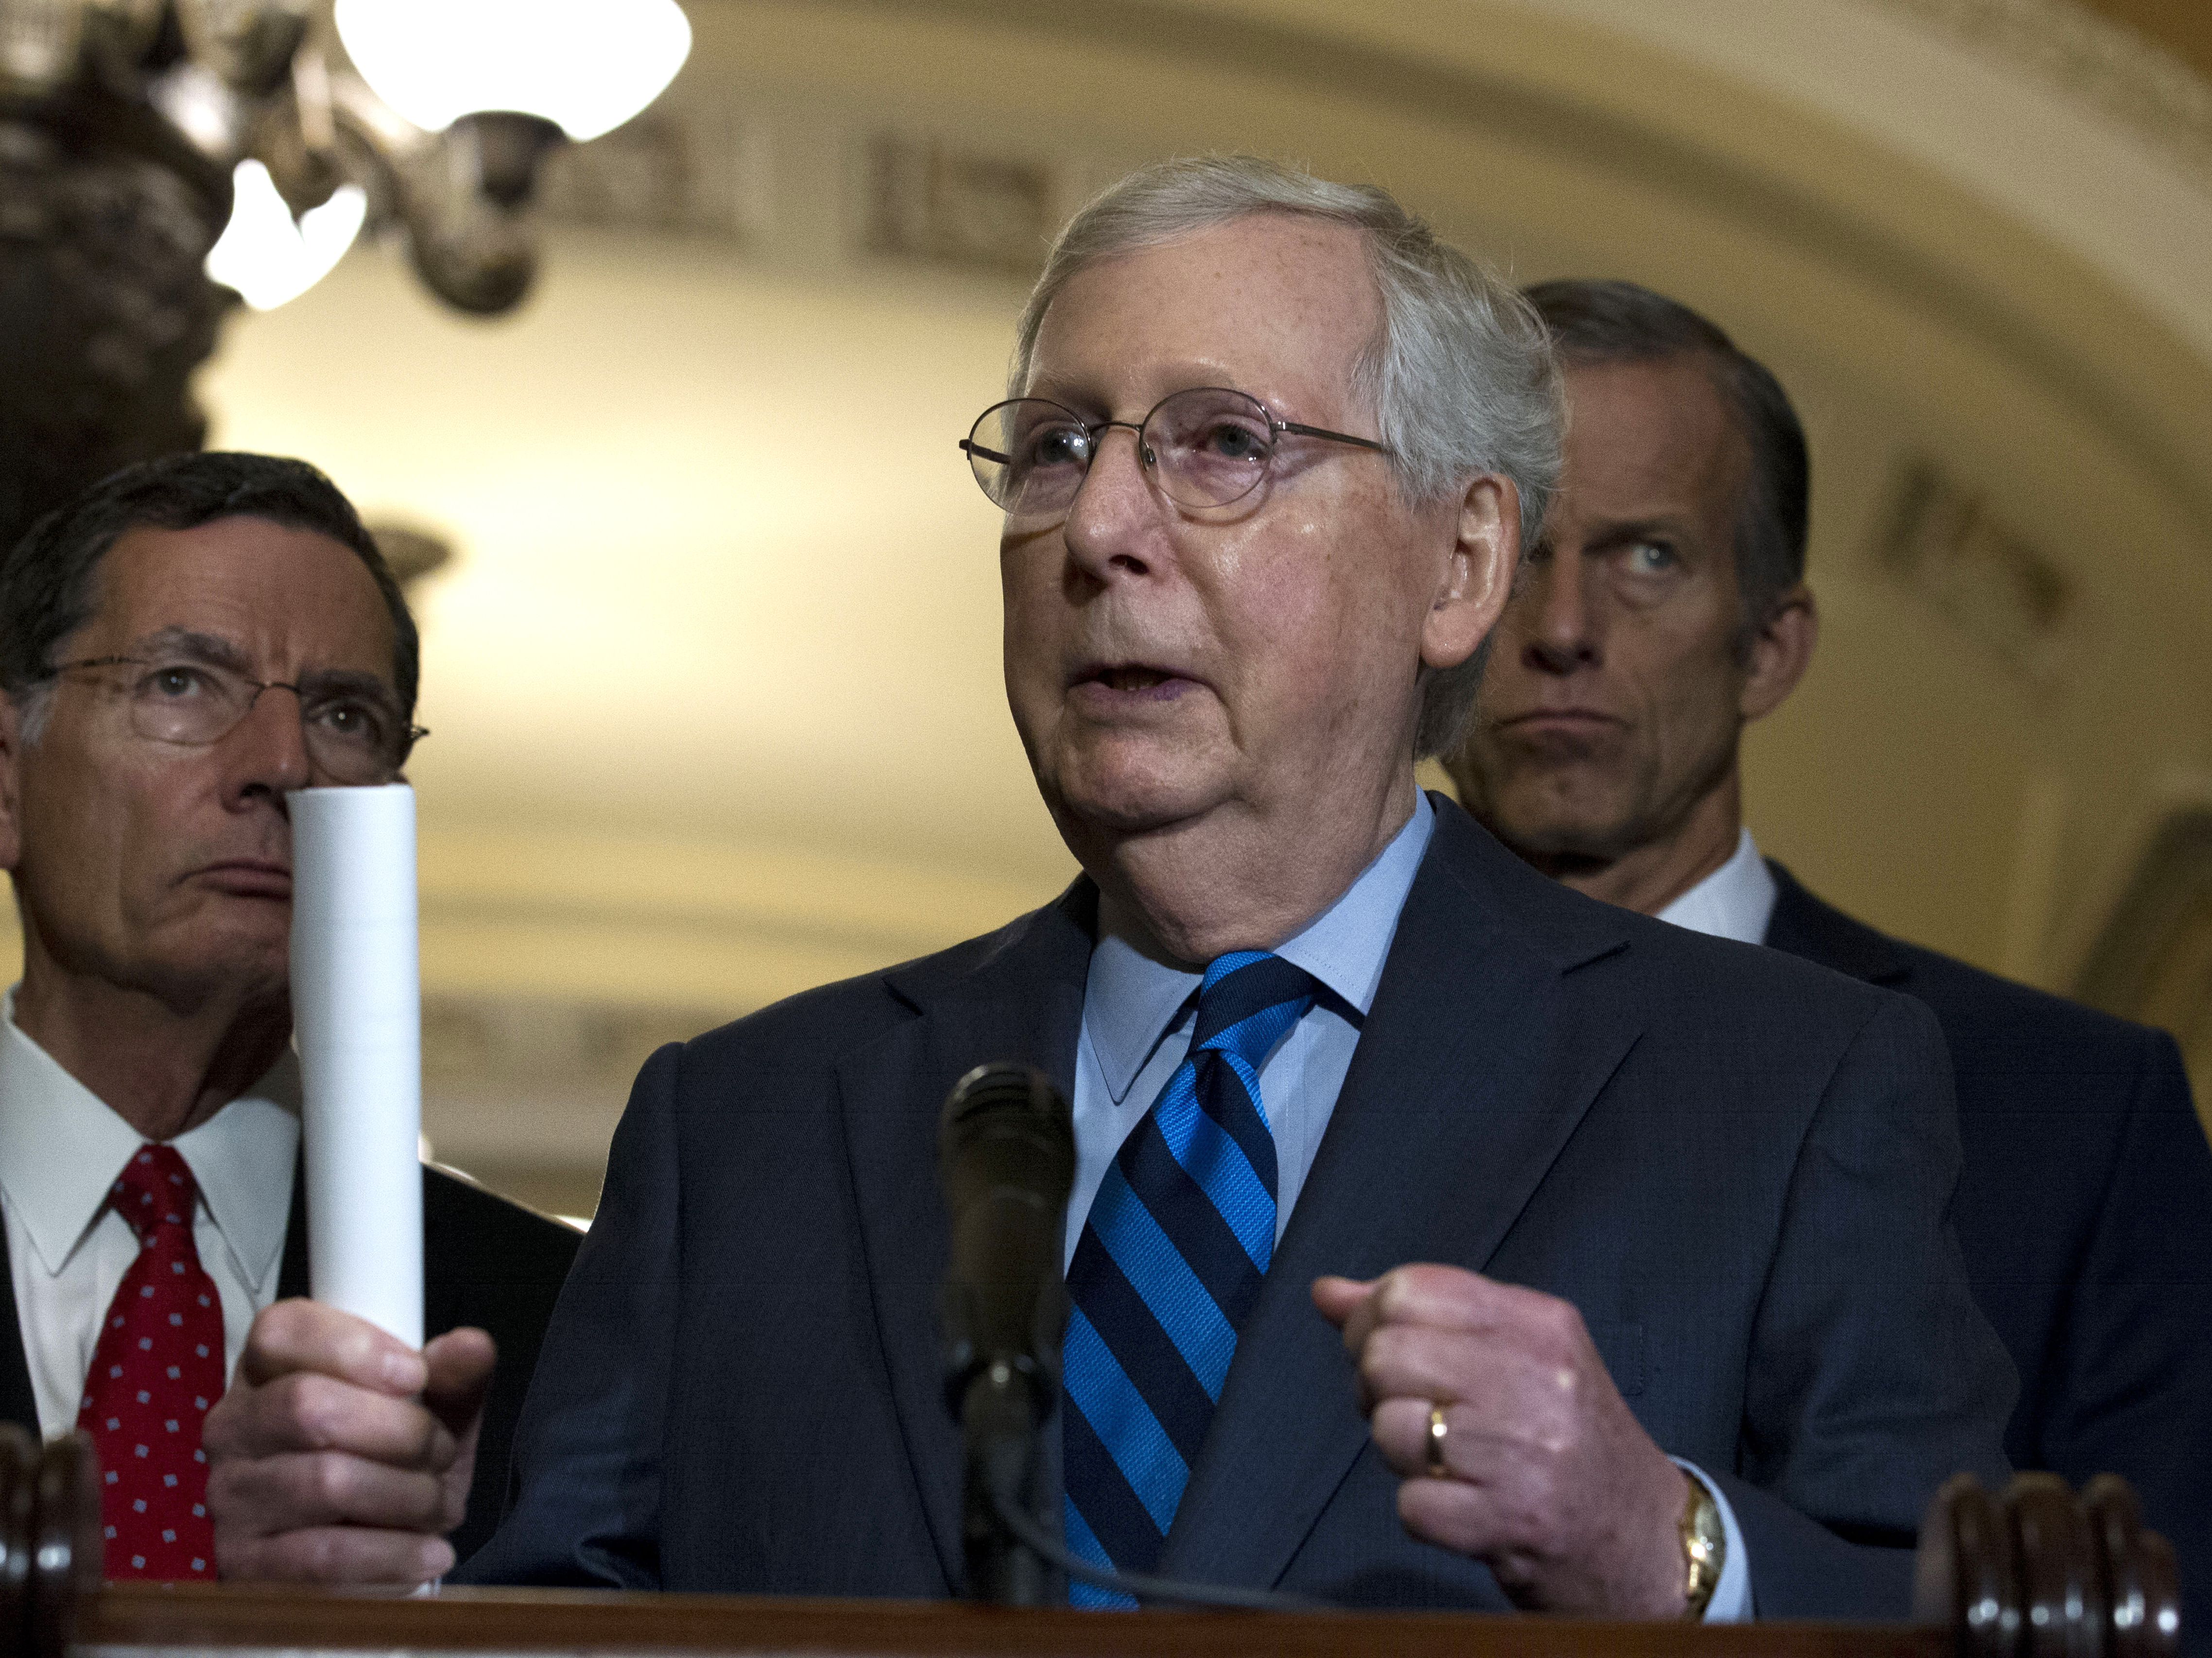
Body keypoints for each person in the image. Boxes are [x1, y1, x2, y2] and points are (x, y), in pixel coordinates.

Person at [204, 160, 2013, 1618]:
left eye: (1223, 443)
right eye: (1056, 445)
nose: (1099, 530)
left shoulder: (1780, 1086)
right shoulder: (741, 1125)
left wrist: (1666, 1549)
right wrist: (378, 1590)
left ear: (1460, 565)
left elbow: (1959, 1606)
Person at [1446, 277, 2212, 1635]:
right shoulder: (1266, 1054)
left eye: (1649, 559)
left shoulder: (2074, 1111)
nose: (1562, 628)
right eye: (1518, 555)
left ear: (1773, 648)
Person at [0, 451, 579, 1575]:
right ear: (9, 785)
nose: (279, 763)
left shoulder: (550, 1323)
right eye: (178, 683)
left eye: (346, 715)